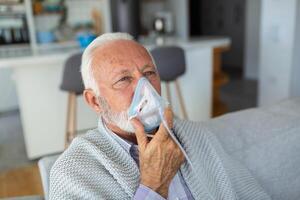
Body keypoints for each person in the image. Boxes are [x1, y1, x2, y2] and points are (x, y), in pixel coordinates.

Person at [49, 33, 270, 200]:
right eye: (124, 79)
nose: (146, 90)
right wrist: (154, 185)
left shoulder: (193, 135)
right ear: (95, 101)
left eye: (149, 74)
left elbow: (245, 190)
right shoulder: (72, 172)